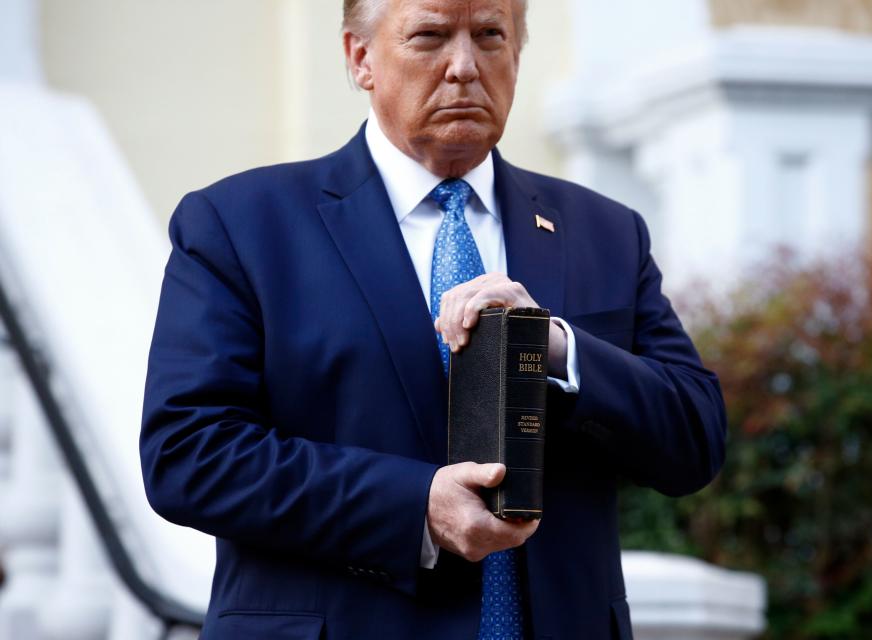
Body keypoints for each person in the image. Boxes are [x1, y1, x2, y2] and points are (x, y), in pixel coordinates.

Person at [139, 0, 727, 638]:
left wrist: (554, 346)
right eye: (431, 36)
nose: (465, 67)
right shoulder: (242, 225)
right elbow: (189, 454)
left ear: (518, 53)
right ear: (360, 58)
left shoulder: (605, 232)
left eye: (490, 36)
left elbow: (695, 438)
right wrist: (415, 505)